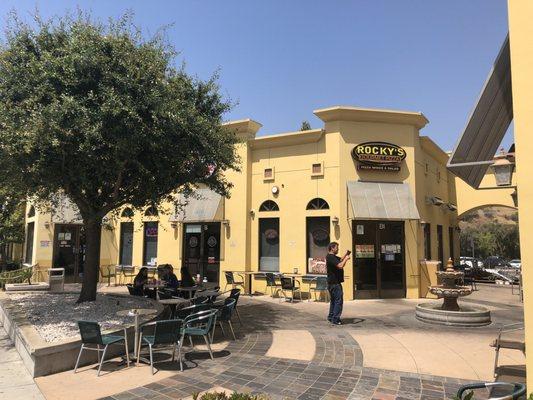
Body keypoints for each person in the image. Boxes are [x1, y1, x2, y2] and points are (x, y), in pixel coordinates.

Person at [326, 242, 350, 325]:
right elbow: (340, 265)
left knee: (333, 301)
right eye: (337, 248)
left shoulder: (332, 257)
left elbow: (340, 260)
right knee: (338, 301)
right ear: (332, 248)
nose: (338, 249)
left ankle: (331, 317)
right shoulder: (330, 257)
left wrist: (346, 254)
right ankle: (336, 319)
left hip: (332, 283)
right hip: (335, 283)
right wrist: (346, 259)